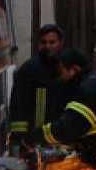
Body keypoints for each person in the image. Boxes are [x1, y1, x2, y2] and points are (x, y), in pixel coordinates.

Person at [8, 24, 72, 152]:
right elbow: (17, 107)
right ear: (38, 45)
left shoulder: (66, 68)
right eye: (44, 42)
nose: (47, 46)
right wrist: (21, 139)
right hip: (36, 142)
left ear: (61, 44)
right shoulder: (28, 70)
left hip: (62, 138)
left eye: (52, 42)